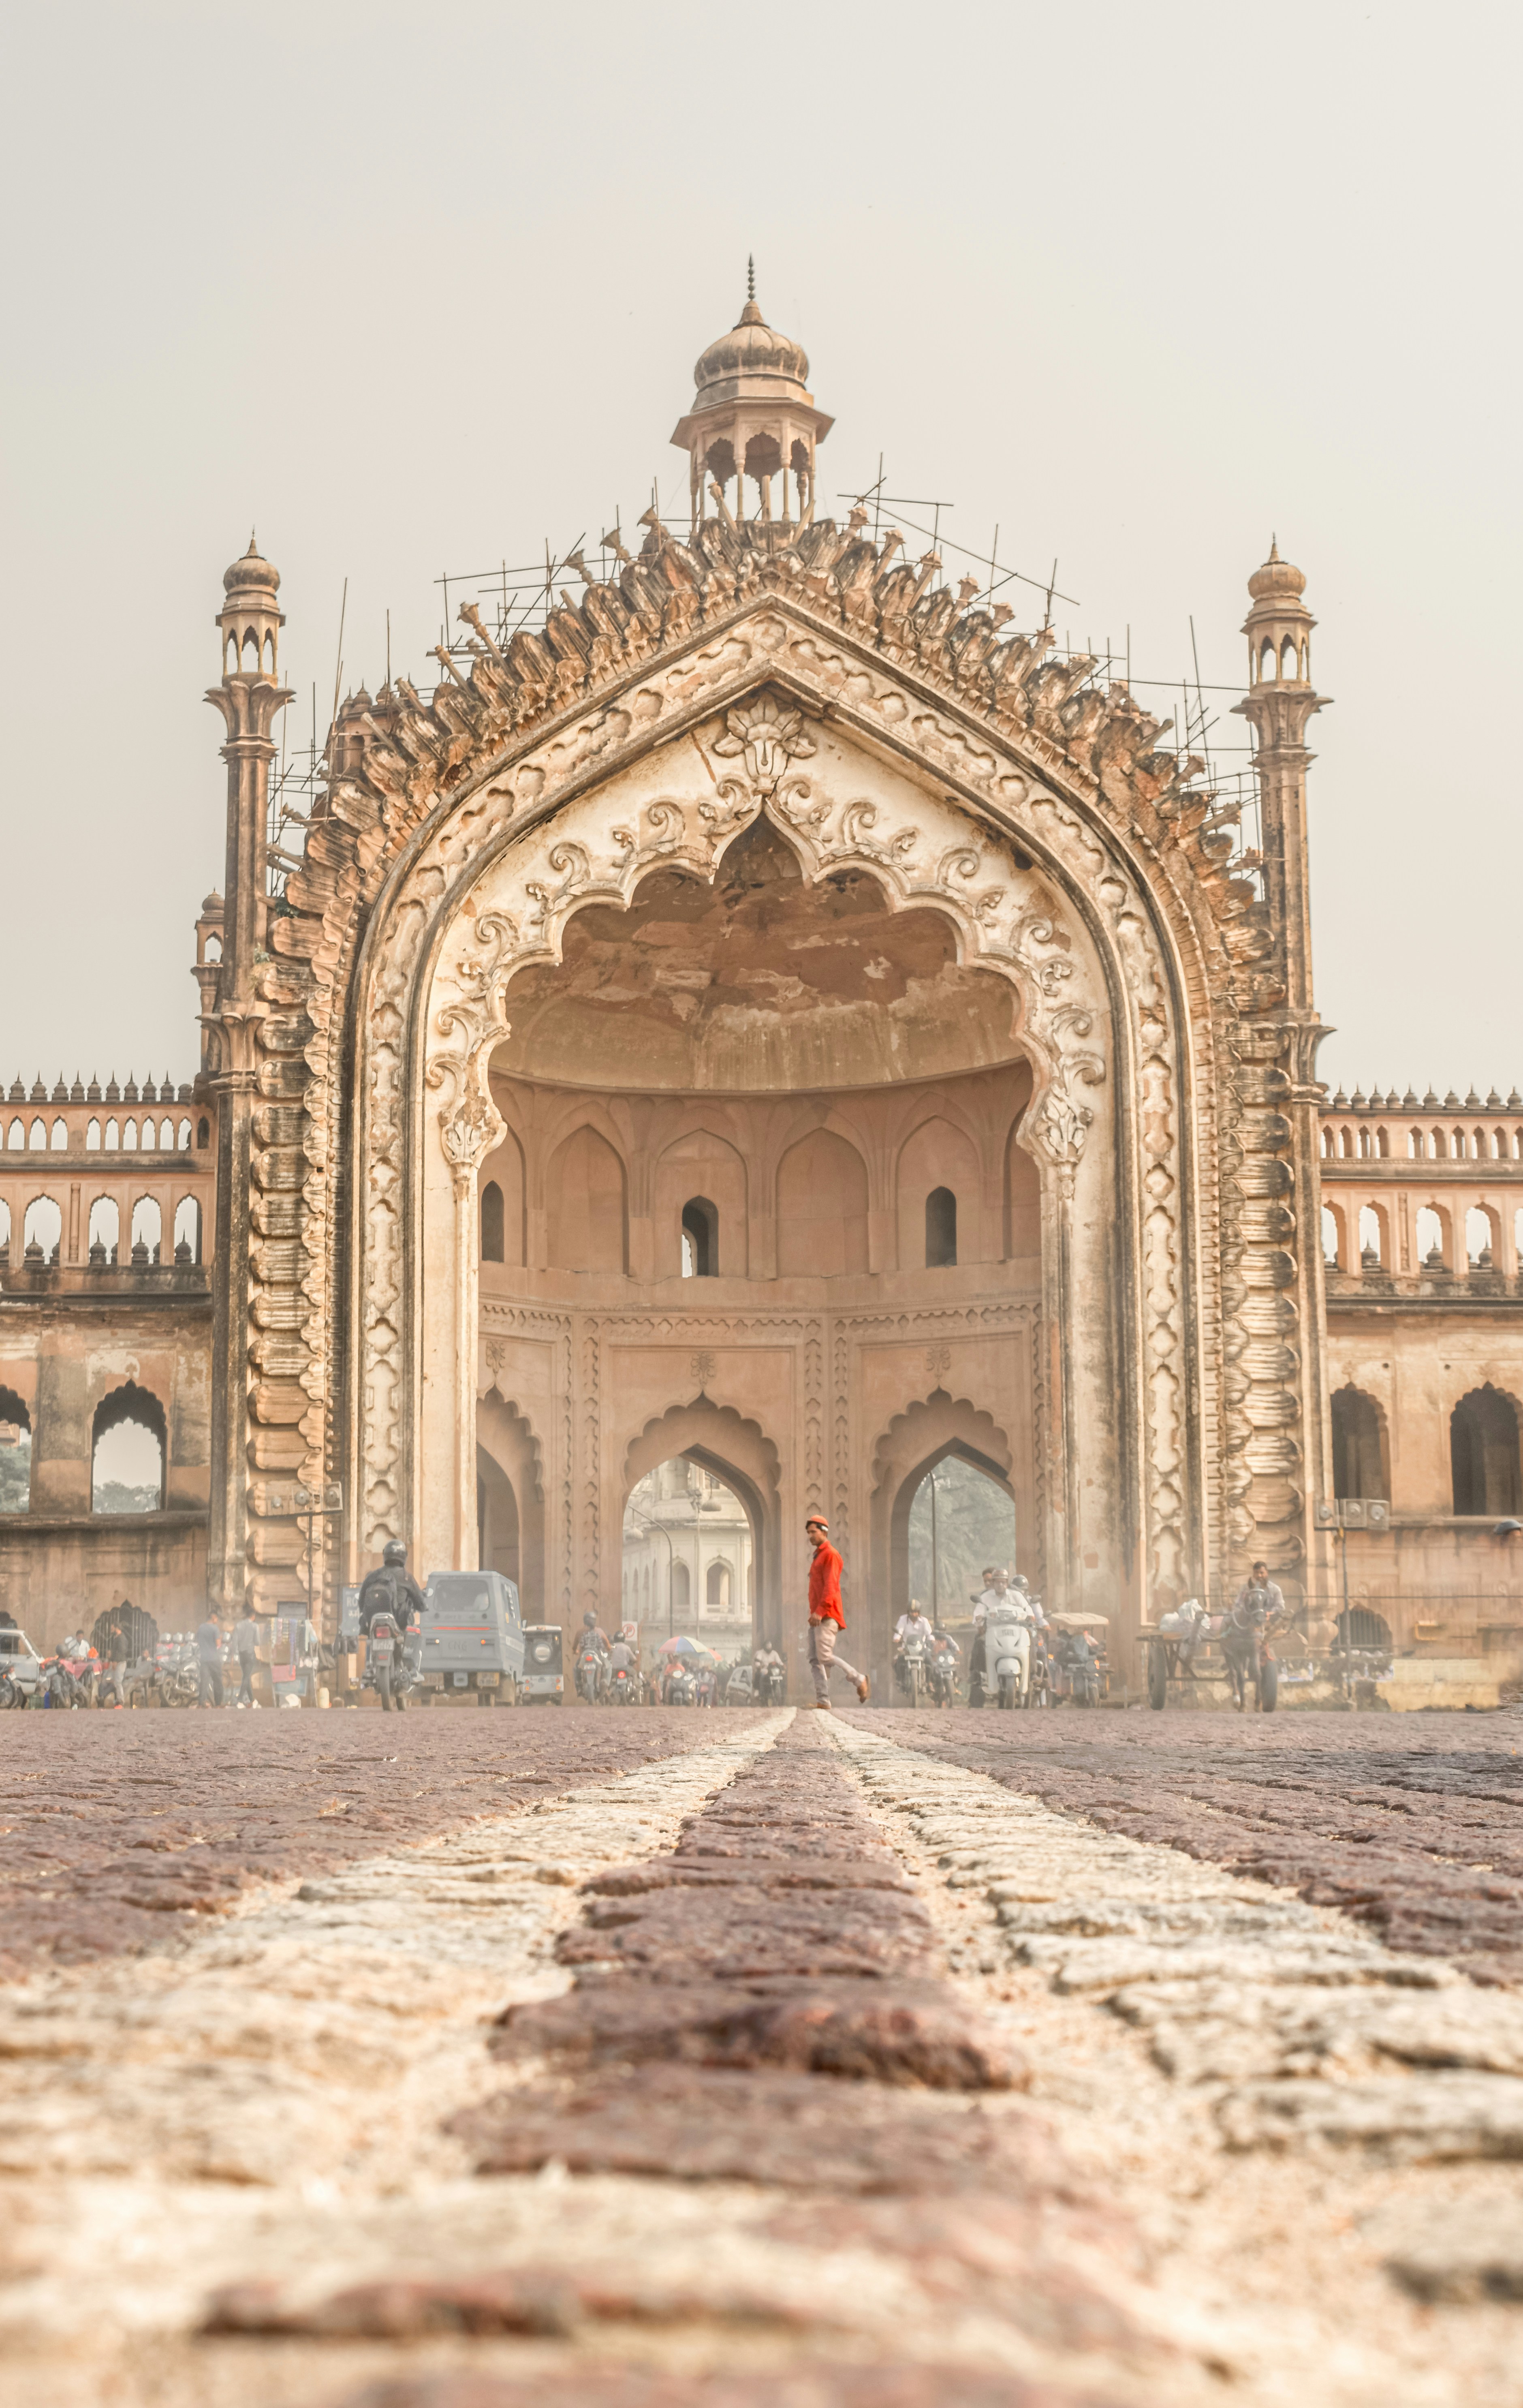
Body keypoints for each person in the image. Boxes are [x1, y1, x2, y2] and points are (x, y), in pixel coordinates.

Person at [805, 1512, 869, 1710]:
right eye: (809, 1533)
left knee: (824, 1657)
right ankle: (823, 1700)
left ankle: (858, 1679)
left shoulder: (830, 1555)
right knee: (815, 1659)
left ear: (824, 1532)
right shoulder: (819, 1556)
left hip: (826, 1614)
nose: (810, 1536)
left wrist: (820, 1611)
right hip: (818, 1615)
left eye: (814, 1532)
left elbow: (831, 1587)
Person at [357, 1541, 427, 1638]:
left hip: (374, 1624)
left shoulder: (374, 1576)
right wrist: (422, 1607)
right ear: (404, 1556)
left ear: (386, 1555)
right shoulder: (407, 1578)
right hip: (400, 1626)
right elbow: (421, 1605)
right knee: (415, 1637)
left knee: (367, 1638)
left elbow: (362, 1601)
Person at [893, 1600, 934, 1695]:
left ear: (919, 1612)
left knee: (929, 1661)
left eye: (916, 1612)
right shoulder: (903, 1619)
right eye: (912, 1612)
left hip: (922, 1648)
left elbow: (929, 1634)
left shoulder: (924, 1621)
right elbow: (899, 1632)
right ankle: (900, 1681)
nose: (914, 1614)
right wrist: (897, 1638)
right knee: (899, 1661)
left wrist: (931, 1639)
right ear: (908, 1612)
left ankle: (929, 1682)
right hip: (907, 1648)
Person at [194, 1608, 224, 1708]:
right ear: (214, 1618)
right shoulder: (215, 1629)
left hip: (204, 1659)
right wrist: (220, 1638)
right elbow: (218, 1644)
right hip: (214, 1659)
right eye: (217, 1619)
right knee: (218, 1681)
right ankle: (218, 1703)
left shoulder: (201, 1627)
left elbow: (198, 1640)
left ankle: (201, 1703)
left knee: (204, 1682)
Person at [233, 1605, 261, 1708]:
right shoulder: (255, 1626)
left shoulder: (239, 1625)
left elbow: (235, 1641)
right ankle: (240, 1700)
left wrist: (233, 1654)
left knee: (246, 1676)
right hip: (250, 1654)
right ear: (253, 1616)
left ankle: (252, 1700)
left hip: (242, 1655)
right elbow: (258, 1642)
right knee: (246, 1677)